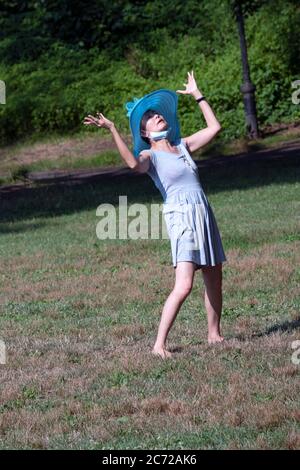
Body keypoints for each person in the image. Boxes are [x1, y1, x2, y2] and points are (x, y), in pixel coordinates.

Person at [83, 70, 227, 360]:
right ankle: (158, 344)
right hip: (181, 218)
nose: (157, 115)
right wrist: (113, 129)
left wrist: (197, 94)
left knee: (214, 277)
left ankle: (214, 334)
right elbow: (132, 164)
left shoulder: (183, 146)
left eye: (157, 113)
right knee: (184, 284)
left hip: (203, 212)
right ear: (145, 132)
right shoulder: (150, 156)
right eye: (149, 116)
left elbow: (215, 127)